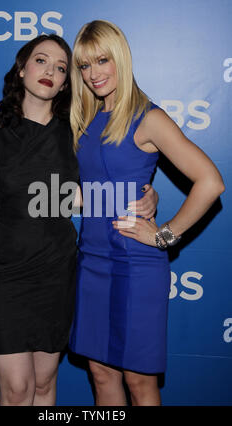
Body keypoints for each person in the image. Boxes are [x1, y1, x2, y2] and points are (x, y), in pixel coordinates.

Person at [0, 33, 158, 406]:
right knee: (16, 390)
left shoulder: (78, 134)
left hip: (56, 271)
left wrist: (144, 194)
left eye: (61, 67)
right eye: (41, 60)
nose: (50, 71)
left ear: (67, 82)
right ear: (21, 70)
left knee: (45, 384)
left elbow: (93, 192)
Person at [69, 20, 225, 406]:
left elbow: (211, 182)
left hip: (136, 265)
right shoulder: (85, 120)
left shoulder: (147, 117)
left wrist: (164, 236)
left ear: (120, 58)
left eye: (102, 60)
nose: (93, 74)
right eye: (85, 66)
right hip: (91, 262)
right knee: (102, 374)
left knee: (140, 383)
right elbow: (80, 198)